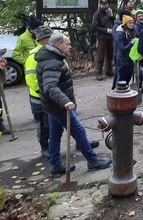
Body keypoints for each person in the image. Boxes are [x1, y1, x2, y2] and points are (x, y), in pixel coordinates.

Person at [36, 33, 112, 177]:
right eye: (68, 44)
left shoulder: (51, 57)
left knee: (55, 135)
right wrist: (65, 100)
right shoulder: (52, 62)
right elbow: (50, 86)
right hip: (59, 106)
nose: (70, 47)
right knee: (79, 131)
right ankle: (92, 160)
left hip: (54, 106)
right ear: (58, 45)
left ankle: (56, 165)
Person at [24, 26, 54, 157]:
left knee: (70, 119)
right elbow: (31, 79)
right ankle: (44, 147)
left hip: (56, 95)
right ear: (43, 39)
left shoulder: (53, 51)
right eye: (50, 37)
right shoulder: (33, 56)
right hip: (41, 97)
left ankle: (80, 142)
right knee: (43, 125)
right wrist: (45, 91)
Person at [91, 0, 115, 81]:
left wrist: (111, 16)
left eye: (106, 4)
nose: (105, 6)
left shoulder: (108, 13)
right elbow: (94, 26)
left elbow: (114, 23)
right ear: (100, 5)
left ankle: (109, 71)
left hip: (110, 37)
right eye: (103, 4)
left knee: (110, 54)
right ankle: (98, 73)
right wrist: (105, 30)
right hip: (102, 37)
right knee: (101, 55)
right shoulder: (97, 14)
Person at [113, 15, 137, 89]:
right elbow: (122, 48)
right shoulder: (120, 34)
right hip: (122, 59)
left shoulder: (132, 32)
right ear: (125, 24)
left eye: (133, 23)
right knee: (121, 78)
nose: (132, 24)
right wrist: (131, 43)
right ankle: (117, 92)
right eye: (130, 23)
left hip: (130, 58)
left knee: (128, 77)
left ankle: (124, 92)